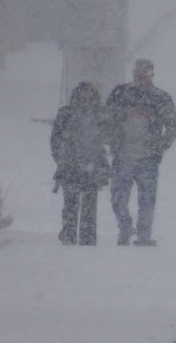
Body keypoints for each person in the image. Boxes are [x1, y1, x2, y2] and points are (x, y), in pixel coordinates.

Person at [106, 59, 176, 246]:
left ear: (151, 74)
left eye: (145, 74)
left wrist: (161, 145)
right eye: (138, 73)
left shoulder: (161, 98)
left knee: (147, 200)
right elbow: (106, 118)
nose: (141, 77)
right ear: (133, 73)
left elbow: (173, 124)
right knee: (118, 197)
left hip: (148, 158)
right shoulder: (120, 93)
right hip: (122, 155)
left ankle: (144, 235)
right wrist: (112, 139)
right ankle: (125, 225)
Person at [51, 82, 110, 246]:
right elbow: (55, 139)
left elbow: (109, 136)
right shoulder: (65, 113)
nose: (85, 100)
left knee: (90, 204)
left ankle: (87, 238)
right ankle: (69, 235)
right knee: (70, 202)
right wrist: (60, 159)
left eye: (88, 97)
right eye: (82, 96)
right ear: (76, 97)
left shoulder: (99, 115)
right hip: (70, 166)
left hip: (93, 166)